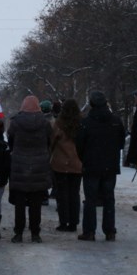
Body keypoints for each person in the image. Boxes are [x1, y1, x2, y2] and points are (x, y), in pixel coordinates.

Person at [76, 91, 125, 241]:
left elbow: (79, 145)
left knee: (90, 200)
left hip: (91, 166)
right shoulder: (116, 122)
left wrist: (85, 159)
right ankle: (110, 231)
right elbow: (121, 142)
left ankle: (89, 231)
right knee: (109, 198)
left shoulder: (86, 123)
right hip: (109, 166)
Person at [7, 95, 52, 243]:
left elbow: (11, 141)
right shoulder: (45, 123)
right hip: (39, 167)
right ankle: (35, 233)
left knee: (19, 204)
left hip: (20, 166)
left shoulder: (15, 123)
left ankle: (18, 232)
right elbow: (49, 142)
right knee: (36, 204)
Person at [49, 98, 82, 232]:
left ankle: (63, 222)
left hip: (60, 164)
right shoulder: (81, 124)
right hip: (77, 164)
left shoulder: (59, 124)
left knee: (62, 194)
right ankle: (73, 222)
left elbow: (52, 142)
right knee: (74, 194)